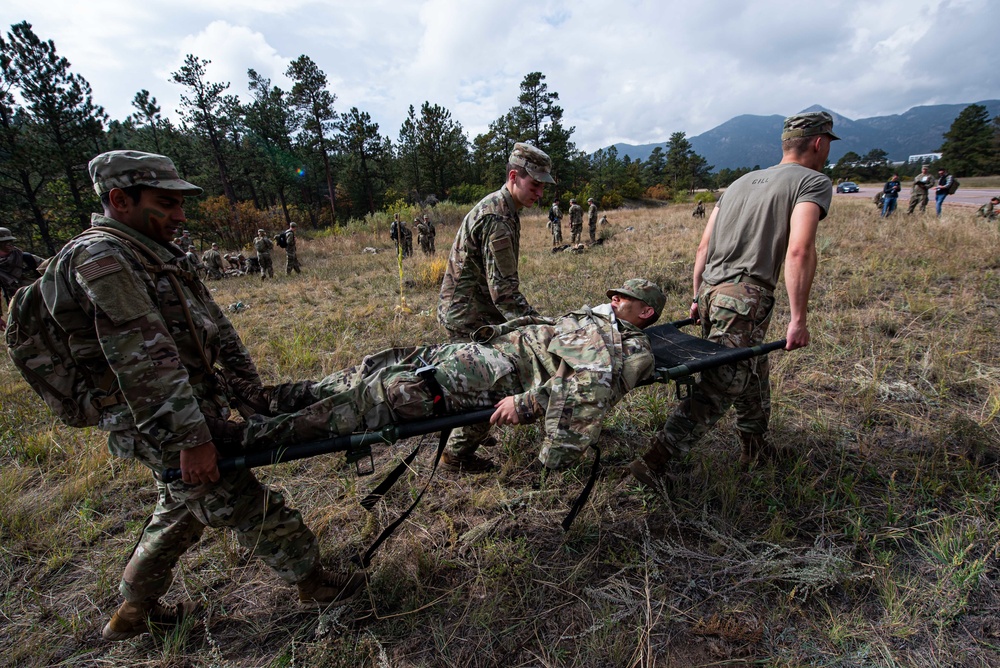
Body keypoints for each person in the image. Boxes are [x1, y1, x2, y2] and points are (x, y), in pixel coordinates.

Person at [29, 151, 364, 641]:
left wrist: (248, 390)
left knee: (181, 513)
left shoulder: (157, 253)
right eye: (167, 202)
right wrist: (191, 439)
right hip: (159, 420)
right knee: (245, 502)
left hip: (190, 407)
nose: (181, 214)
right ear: (119, 200)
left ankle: (132, 613)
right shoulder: (102, 258)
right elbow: (142, 359)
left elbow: (217, 326)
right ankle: (314, 583)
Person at [226, 279, 665, 472]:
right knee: (377, 366)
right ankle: (271, 399)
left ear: (644, 312)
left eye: (623, 296)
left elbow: (594, 387)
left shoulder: (628, 345)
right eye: (614, 292)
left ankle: (250, 437)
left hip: (493, 375)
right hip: (477, 352)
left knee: (379, 398)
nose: (613, 297)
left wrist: (527, 403)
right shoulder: (593, 318)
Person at [630, 111, 837, 488]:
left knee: (753, 368)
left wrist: (696, 297)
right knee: (721, 384)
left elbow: (703, 247)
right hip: (744, 297)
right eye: (827, 146)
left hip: (712, 292)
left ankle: (755, 447)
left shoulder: (738, 184)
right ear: (819, 143)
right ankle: (655, 461)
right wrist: (798, 319)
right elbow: (800, 251)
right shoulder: (813, 182)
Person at [437, 142, 554, 471]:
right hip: (469, 315)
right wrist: (536, 326)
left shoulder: (505, 208)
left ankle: (463, 427)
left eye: (543, 187)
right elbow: (503, 291)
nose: (540, 194)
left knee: (474, 380)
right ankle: (455, 456)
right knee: (491, 384)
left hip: (474, 309)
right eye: (535, 185)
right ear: (514, 177)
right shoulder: (498, 218)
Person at [0, 227, 45, 331]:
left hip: (44, 302)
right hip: (20, 310)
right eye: (4, 241)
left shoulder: (26, 258)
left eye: (10, 240)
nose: (9, 243)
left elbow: (53, 269)